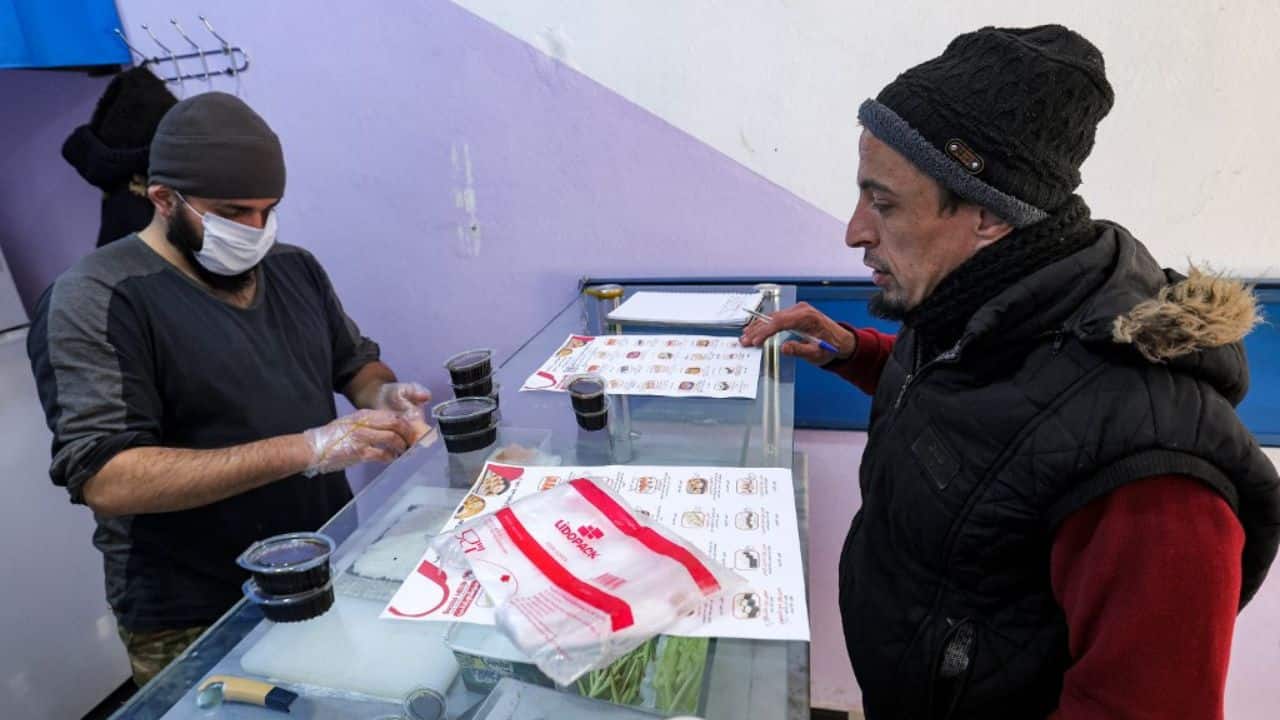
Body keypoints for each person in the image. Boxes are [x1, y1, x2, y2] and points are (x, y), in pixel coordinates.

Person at [741, 25, 1280, 719]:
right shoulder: (976, 300)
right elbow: (990, 421)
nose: (854, 231)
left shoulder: (1155, 471)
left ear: (990, 217)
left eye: (885, 203)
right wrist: (856, 350)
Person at [28, 92, 432, 687]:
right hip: (192, 609)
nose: (255, 230)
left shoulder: (295, 268)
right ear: (163, 199)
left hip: (321, 565)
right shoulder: (97, 299)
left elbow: (356, 365)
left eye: (268, 211)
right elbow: (108, 478)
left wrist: (384, 398)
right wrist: (309, 448)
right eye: (232, 213)